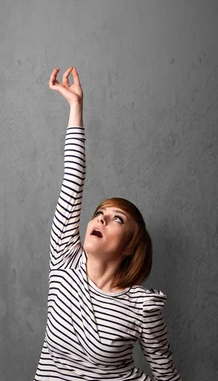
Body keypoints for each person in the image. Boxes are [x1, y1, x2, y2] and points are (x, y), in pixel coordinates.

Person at [33, 66, 181, 381]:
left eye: (117, 219)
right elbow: (72, 181)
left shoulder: (142, 306)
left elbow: (165, 372)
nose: (101, 218)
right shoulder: (65, 260)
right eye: (100, 213)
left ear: (129, 246)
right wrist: (75, 107)